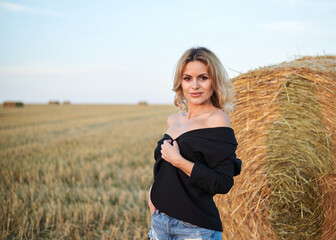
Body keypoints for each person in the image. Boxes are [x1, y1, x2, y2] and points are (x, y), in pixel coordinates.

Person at [148, 47, 242, 240]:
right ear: (180, 83)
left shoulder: (217, 119)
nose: (195, 86)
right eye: (188, 78)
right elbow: (163, 168)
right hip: (160, 222)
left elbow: (223, 182)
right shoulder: (173, 121)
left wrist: (180, 161)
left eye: (203, 78)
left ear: (214, 81)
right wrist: (152, 196)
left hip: (194, 228)